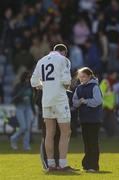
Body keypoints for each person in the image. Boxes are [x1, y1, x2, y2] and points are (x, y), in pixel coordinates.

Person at [30, 44, 75, 172]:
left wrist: (44, 86)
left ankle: (50, 164)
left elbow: (33, 82)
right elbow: (66, 81)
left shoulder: (41, 60)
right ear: (64, 52)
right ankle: (62, 163)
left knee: (50, 133)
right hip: (60, 99)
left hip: (46, 100)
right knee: (66, 132)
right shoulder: (64, 60)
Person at [73, 67, 102, 172]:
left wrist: (85, 101)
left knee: (93, 142)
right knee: (86, 142)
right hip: (84, 119)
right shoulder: (79, 88)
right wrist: (79, 102)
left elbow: (98, 101)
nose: (82, 79)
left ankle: (94, 166)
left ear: (89, 76)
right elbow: (74, 102)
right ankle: (86, 165)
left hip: (94, 120)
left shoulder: (95, 87)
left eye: (84, 76)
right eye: (80, 77)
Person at [10, 71, 35, 150]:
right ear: (24, 77)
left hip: (28, 108)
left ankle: (26, 146)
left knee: (28, 127)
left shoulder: (30, 86)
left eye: (29, 78)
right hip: (20, 107)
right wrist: (21, 98)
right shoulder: (18, 86)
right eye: (27, 78)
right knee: (23, 127)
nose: (28, 79)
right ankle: (13, 139)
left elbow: (32, 100)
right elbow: (14, 97)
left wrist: (33, 111)